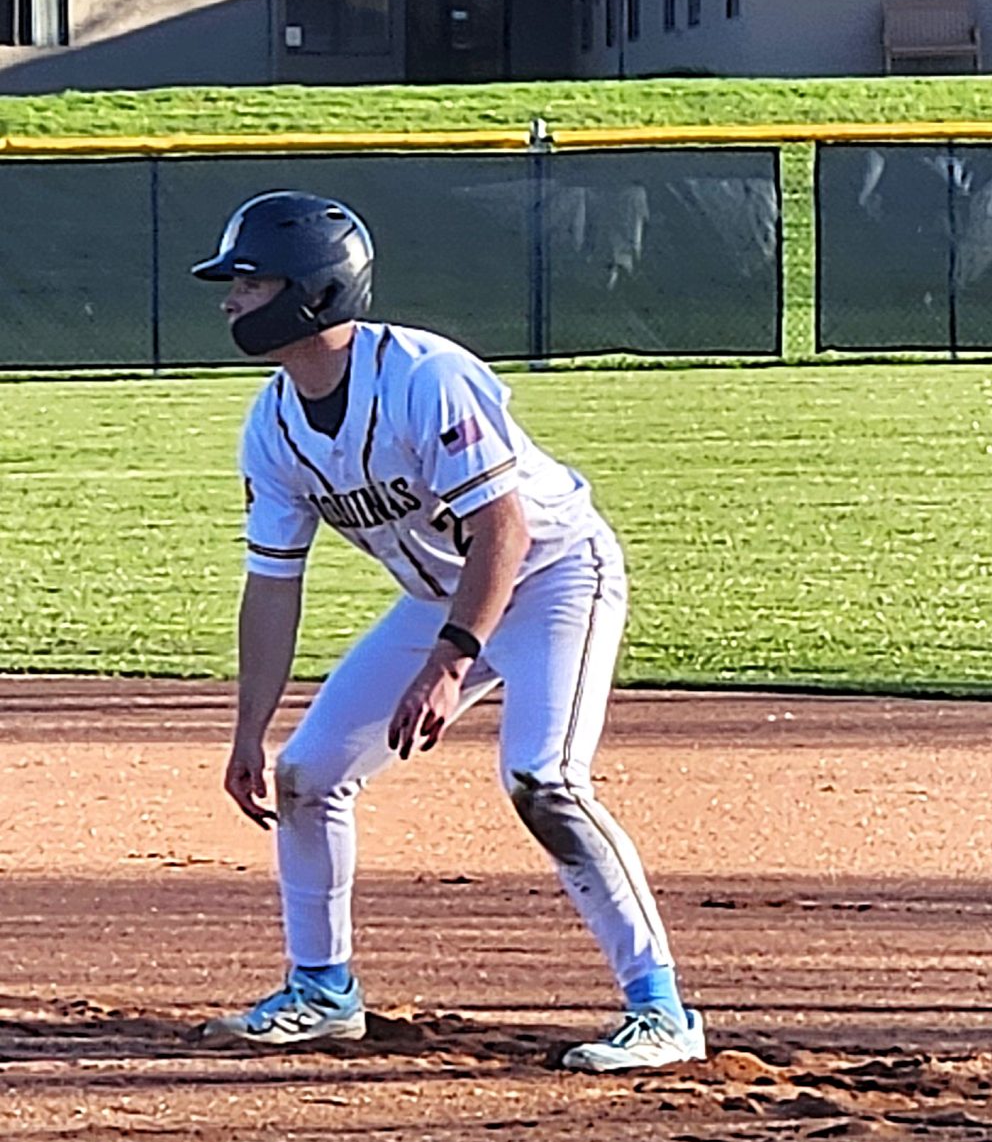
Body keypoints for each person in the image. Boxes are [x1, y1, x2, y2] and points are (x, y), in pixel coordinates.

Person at [196, 190, 703, 1074]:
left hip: (554, 577)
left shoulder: (427, 375)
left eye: (248, 279)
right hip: (442, 596)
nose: (230, 297)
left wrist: (451, 659)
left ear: (310, 290)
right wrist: (248, 728)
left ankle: (660, 1010)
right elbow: (272, 586)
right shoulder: (272, 425)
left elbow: (503, 527)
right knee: (308, 774)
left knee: (544, 779)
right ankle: (322, 990)